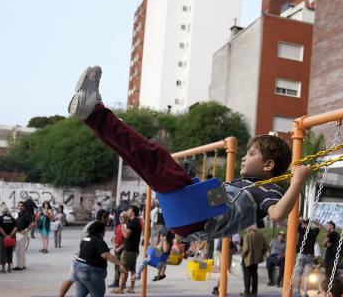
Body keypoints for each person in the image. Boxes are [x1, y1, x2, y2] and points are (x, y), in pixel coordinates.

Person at [67, 65, 309, 242]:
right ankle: (93, 115)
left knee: (155, 157)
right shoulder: (247, 183)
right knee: (138, 158)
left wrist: (297, 181)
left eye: (252, 154)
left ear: (268, 166)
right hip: (192, 216)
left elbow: (277, 214)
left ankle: (96, 113)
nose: (245, 157)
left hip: (197, 216)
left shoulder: (269, 189)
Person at [72, 222, 125, 297]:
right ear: (101, 231)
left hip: (78, 267)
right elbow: (105, 255)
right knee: (97, 296)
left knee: (79, 295)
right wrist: (119, 263)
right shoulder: (98, 241)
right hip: (91, 271)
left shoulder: (85, 239)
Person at [113, 206, 142, 294]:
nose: (127, 211)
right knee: (132, 269)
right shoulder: (136, 222)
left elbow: (126, 235)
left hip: (128, 250)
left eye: (129, 210)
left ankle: (120, 288)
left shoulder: (132, 223)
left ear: (133, 212)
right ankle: (131, 288)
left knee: (123, 269)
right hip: (134, 249)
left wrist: (122, 227)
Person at [294, 218, 320, 297]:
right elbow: (319, 226)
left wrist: (300, 220)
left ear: (303, 224)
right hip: (310, 255)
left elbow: (295, 222)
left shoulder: (301, 230)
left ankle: (296, 291)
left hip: (301, 254)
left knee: (298, 274)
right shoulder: (313, 231)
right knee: (306, 275)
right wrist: (315, 222)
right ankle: (304, 292)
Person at [240, 225, 268, 297]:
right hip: (256, 258)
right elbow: (266, 246)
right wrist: (261, 253)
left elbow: (246, 248)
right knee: (254, 274)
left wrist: (242, 255)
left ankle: (247, 291)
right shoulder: (260, 235)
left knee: (247, 274)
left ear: (249, 228)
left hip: (247, 258)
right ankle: (254, 291)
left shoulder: (247, 235)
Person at [14, 201, 35, 271]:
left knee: (19, 249)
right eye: (19, 206)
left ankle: (19, 265)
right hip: (18, 233)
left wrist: (26, 230)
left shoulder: (27, 214)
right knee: (21, 249)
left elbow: (33, 223)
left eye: (22, 206)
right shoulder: (19, 214)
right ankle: (22, 265)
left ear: (24, 207)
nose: (20, 207)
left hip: (22, 233)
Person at [0, 206, 17, 273]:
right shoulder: (12, 218)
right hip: (10, 238)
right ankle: (9, 268)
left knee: (2, 252)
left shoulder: (0, 218)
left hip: (3, 238)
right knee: (9, 251)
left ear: (1, 211)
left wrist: (5, 235)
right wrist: (10, 235)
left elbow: (0, 228)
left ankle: (3, 269)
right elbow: (15, 228)